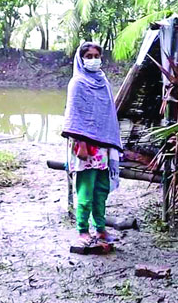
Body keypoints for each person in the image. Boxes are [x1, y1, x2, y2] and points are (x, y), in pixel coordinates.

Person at [62, 42, 122, 246]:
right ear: (81, 58)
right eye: (89, 55)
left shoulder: (103, 81)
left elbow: (108, 114)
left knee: (101, 190)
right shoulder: (77, 83)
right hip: (85, 148)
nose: (93, 59)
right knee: (85, 192)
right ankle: (82, 230)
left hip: (103, 147)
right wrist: (82, 144)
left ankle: (101, 229)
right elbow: (75, 116)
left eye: (97, 55)